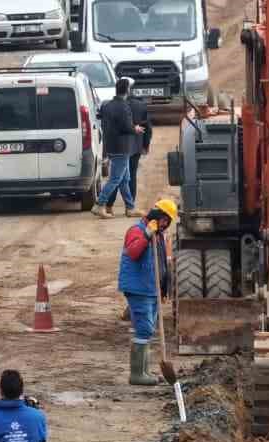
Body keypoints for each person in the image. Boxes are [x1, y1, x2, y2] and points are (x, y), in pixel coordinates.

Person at [116, 199, 176, 385]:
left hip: (152, 289)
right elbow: (133, 253)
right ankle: (137, 374)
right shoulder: (137, 231)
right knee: (144, 328)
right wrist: (147, 235)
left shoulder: (158, 236)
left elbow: (161, 265)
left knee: (147, 330)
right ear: (158, 215)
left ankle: (145, 371)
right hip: (138, 287)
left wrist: (164, 288)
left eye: (168, 222)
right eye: (165, 220)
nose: (165, 225)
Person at [94, 80, 145, 219]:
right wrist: (136, 128)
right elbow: (126, 127)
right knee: (115, 179)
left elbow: (101, 118)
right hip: (122, 147)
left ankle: (130, 207)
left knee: (125, 179)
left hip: (110, 146)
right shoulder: (124, 106)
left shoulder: (107, 105)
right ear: (127, 89)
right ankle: (99, 204)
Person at [121, 79, 153, 218]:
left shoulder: (115, 105)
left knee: (118, 175)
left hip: (119, 146)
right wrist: (146, 145)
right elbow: (148, 128)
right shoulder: (141, 106)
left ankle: (109, 206)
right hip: (136, 146)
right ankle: (130, 205)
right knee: (131, 174)